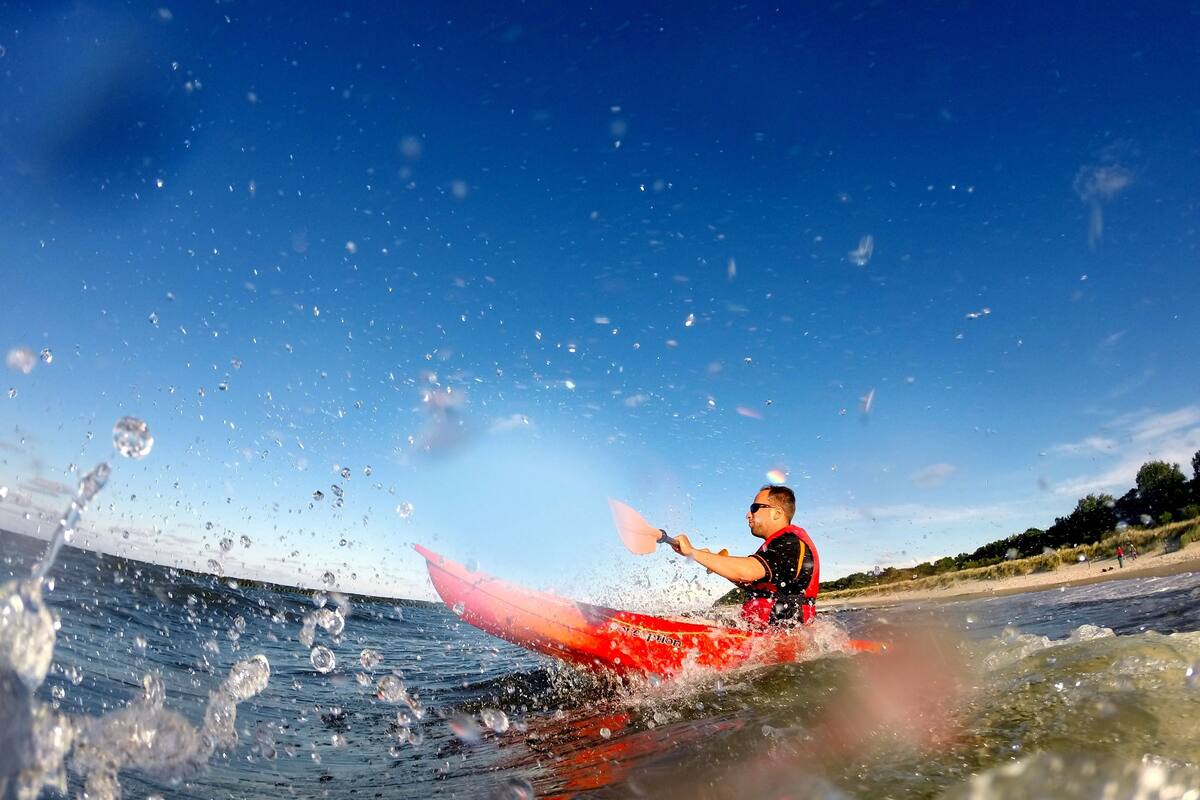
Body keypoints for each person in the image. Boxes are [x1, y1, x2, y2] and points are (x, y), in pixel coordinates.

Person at [669, 485, 820, 626]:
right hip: (761, 632)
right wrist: (711, 561)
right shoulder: (780, 545)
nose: (748, 515)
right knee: (684, 618)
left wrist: (692, 552)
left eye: (755, 508)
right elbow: (751, 583)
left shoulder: (790, 543)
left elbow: (746, 572)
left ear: (777, 513)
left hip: (779, 636)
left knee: (680, 623)